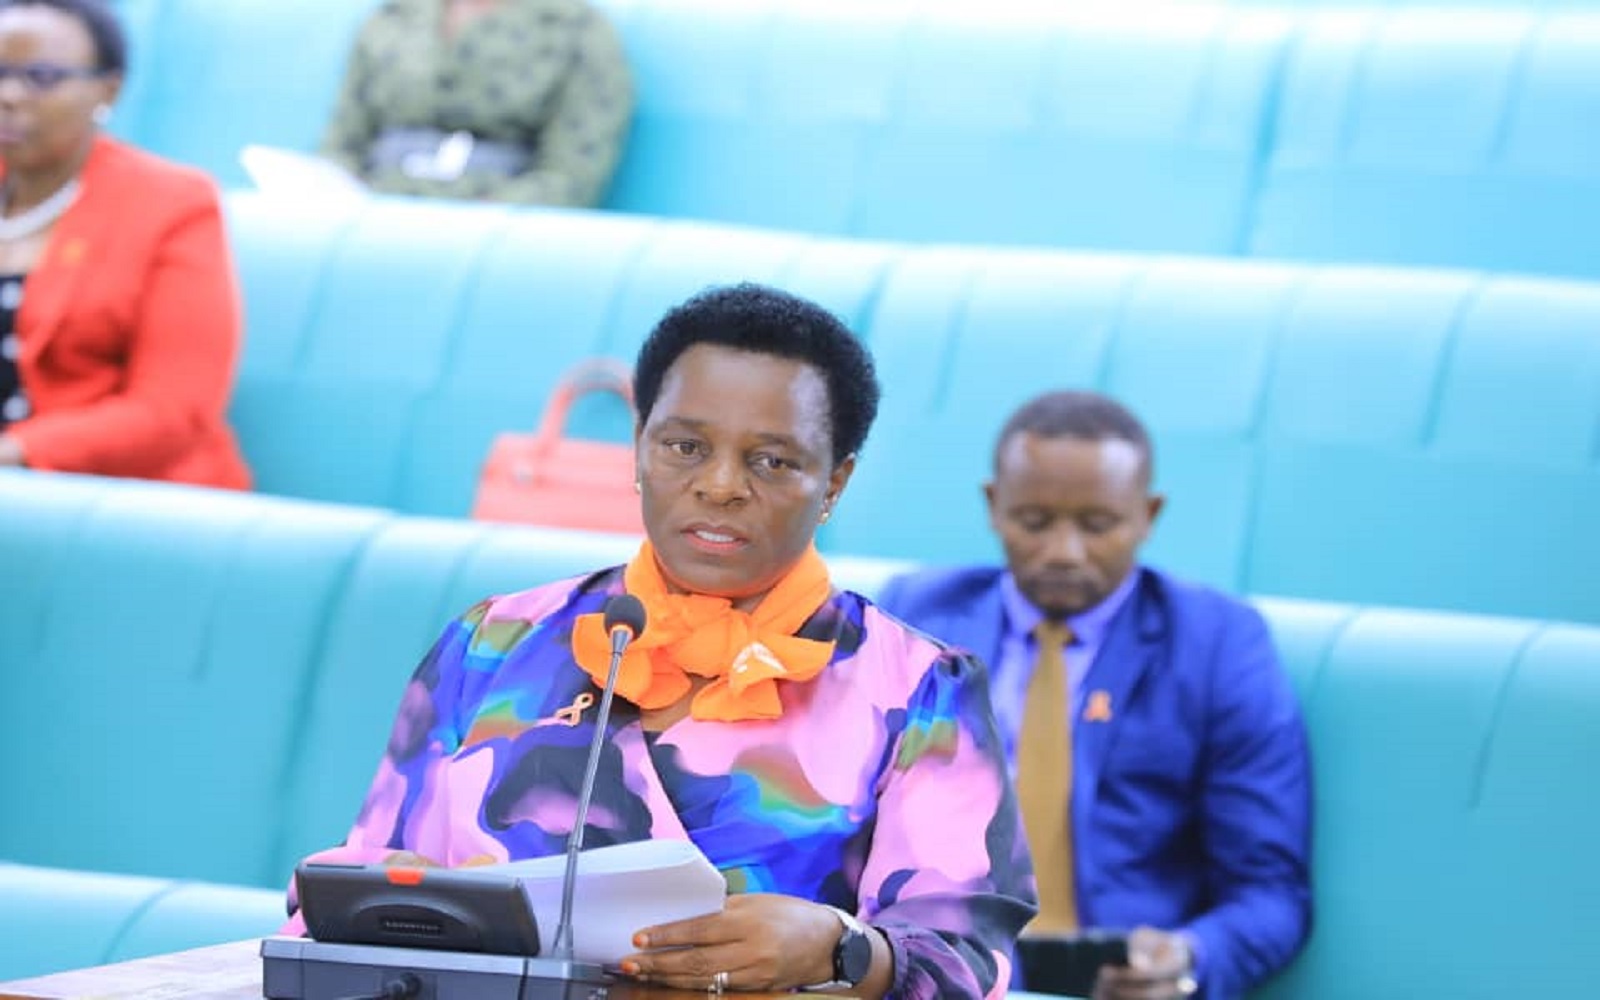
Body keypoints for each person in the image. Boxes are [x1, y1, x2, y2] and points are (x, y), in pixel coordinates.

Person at [284, 284, 1035, 999]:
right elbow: (357, 892)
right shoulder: (494, 644)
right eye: (685, 446)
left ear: (834, 483)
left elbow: (969, 961)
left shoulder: (917, 687)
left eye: (772, 461)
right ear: (639, 446)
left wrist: (841, 949)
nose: (721, 485)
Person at [877, 391, 1311, 1000]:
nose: (1064, 551)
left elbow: (1269, 892)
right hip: (932, 974)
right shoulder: (917, 616)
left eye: (1097, 525)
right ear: (994, 505)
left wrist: (1188, 958)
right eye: (1034, 521)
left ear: (1148, 515)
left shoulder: (1217, 644)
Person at [0, 0, 250, 487]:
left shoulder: (172, 204)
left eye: (41, 77)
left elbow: (173, 412)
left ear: (107, 89)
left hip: (113, 498)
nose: (8, 94)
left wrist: (16, 452)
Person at [321, 0, 633, 207]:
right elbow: (339, 146)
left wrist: (481, 216)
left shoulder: (577, 29)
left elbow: (571, 176)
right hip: (372, 211)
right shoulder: (392, 16)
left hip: (492, 224)